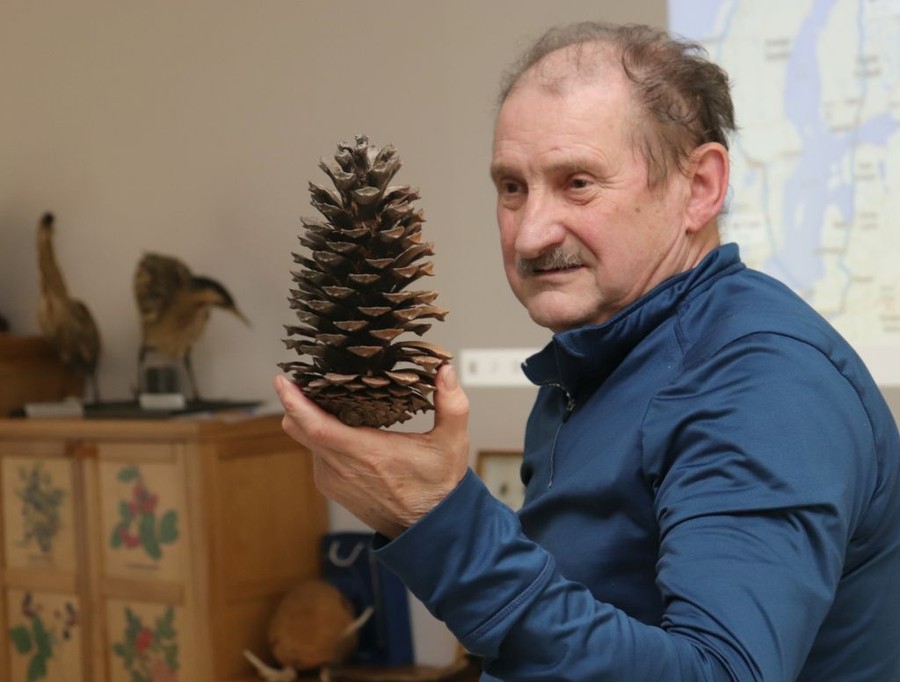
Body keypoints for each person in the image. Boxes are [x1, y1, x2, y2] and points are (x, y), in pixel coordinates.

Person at [274, 21, 900, 681]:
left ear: (699, 188)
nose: (530, 235)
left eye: (577, 182)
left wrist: (440, 521)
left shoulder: (761, 382)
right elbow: (579, 612)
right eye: (512, 187)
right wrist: (427, 516)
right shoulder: (601, 358)